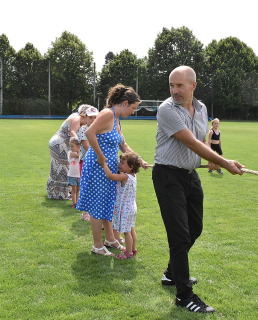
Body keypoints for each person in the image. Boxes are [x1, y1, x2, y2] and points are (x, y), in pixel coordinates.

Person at [152, 66, 244, 314]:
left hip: (190, 176)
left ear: (193, 86)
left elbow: (200, 140)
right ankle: (183, 295)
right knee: (179, 237)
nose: (174, 91)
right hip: (168, 176)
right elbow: (189, 141)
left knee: (196, 228)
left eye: (180, 85)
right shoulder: (167, 110)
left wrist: (213, 157)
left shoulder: (202, 109)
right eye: (171, 85)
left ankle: (172, 274)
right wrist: (225, 162)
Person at [77, 84, 148, 256]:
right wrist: (101, 157)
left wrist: (138, 159)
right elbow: (89, 132)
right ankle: (97, 245)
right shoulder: (108, 114)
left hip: (108, 165)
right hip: (98, 165)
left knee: (109, 202)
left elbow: (123, 144)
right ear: (125, 103)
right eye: (133, 108)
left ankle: (109, 239)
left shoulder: (117, 118)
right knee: (97, 204)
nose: (133, 112)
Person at [47, 104, 91, 199]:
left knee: (57, 168)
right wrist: (76, 142)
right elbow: (72, 132)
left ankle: (54, 192)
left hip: (56, 143)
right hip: (60, 144)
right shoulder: (77, 119)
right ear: (85, 115)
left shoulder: (75, 117)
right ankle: (61, 194)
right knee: (63, 168)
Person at [102, 152, 141, 259]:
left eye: (122, 163)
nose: (120, 164)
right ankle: (133, 249)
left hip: (125, 209)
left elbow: (110, 176)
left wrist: (104, 164)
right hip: (132, 207)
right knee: (131, 229)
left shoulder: (125, 177)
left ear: (131, 167)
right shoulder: (133, 175)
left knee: (127, 232)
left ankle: (128, 253)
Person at [77, 107, 99, 221]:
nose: (93, 120)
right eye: (91, 118)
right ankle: (85, 212)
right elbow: (87, 146)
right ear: (86, 118)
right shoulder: (83, 130)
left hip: (96, 162)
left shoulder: (99, 130)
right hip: (86, 161)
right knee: (86, 186)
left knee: (95, 186)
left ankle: (93, 211)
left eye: (95, 118)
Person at [67, 137, 81, 208]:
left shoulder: (80, 153)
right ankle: (74, 203)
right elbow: (79, 155)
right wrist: (79, 151)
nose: (71, 148)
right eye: (70, 146)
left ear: (78, 146)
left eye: (72, 146)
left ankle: (77, 202)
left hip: (78, 175)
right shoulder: (71, 153)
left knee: (78, 189)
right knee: (74, 189)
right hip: (72, 174)